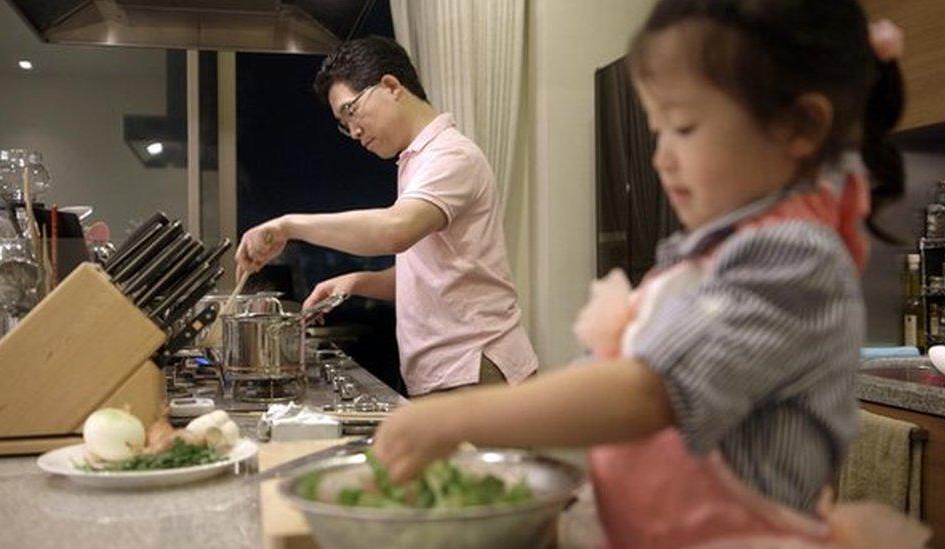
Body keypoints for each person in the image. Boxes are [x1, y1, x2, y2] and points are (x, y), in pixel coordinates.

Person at [372, 1, 930, 546]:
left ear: (799, 126)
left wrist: (456, 417)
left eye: (683, 127)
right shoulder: (711, 253)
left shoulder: (793, 258)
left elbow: (647, 392)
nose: (660, 159)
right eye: (657, 130)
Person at [234, 36, 537, 397]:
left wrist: (288, 226)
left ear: (391, 86)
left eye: (351, 111)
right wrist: (356, 281)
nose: (354, 131)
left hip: (474, 367)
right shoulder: (417, 162)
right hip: (453, 371)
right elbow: (430, 275)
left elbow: (395, 231)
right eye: (344, 123)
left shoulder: (451, 156)